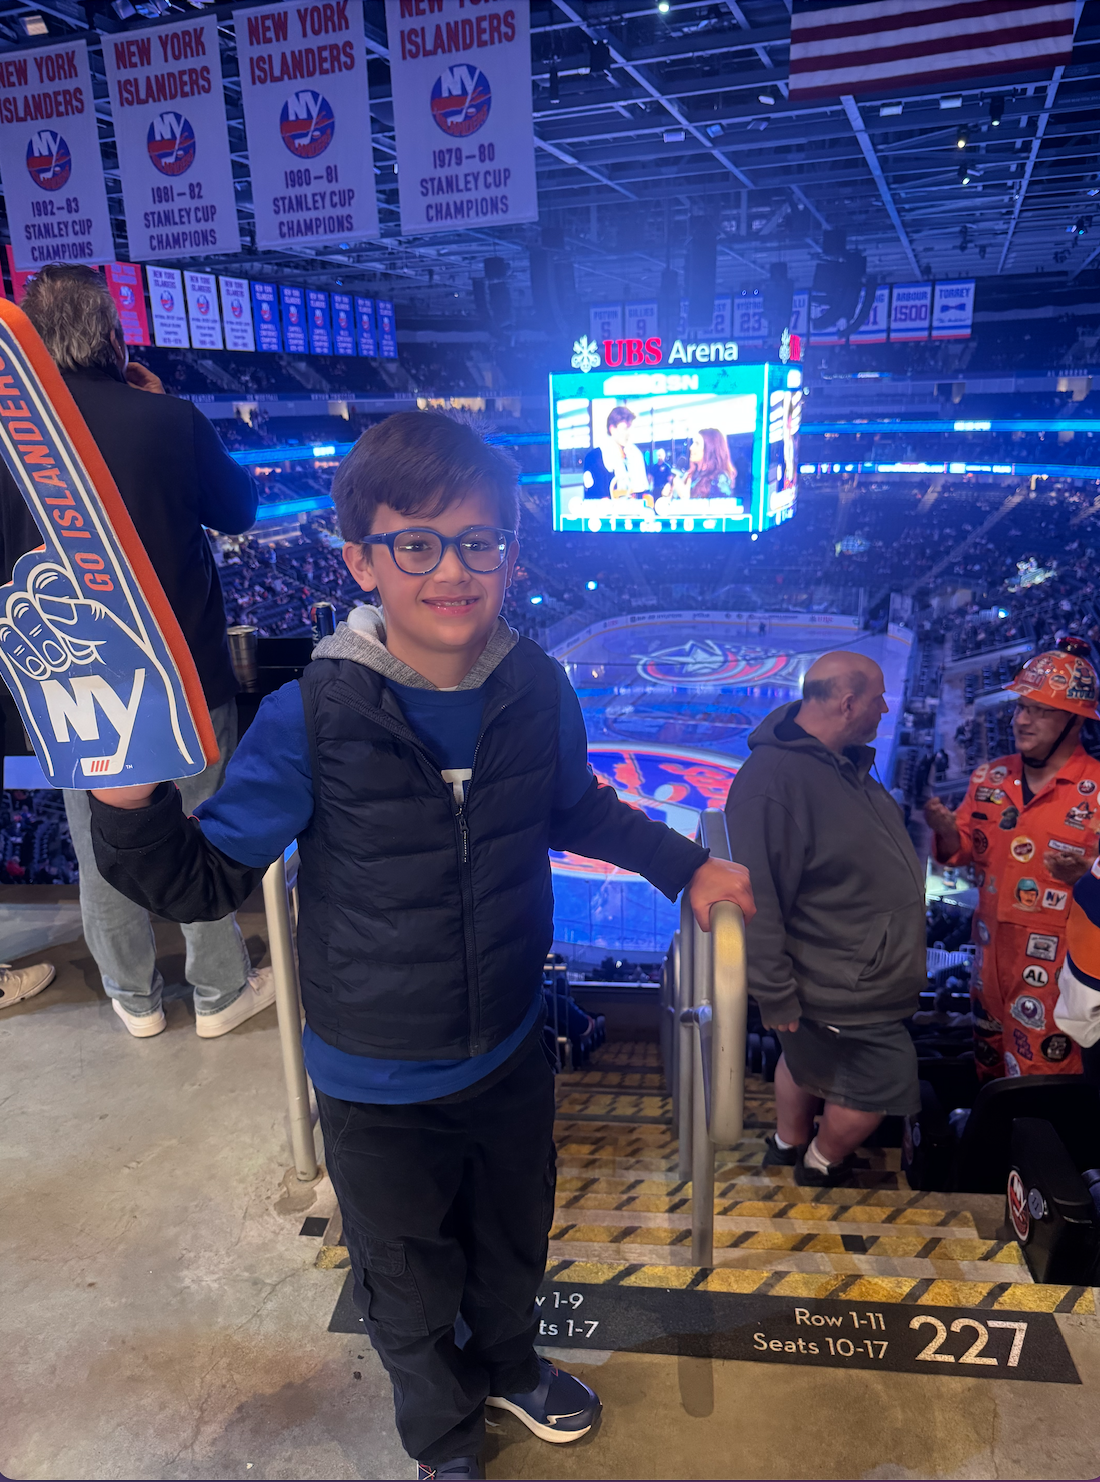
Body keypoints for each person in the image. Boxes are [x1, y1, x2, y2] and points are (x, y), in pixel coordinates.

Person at [87, 411, 755, 1479]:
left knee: (508, 1250)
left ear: (509, 555)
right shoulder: (310, 717)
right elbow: (198, 879)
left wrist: (686, 865)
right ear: (362, 558)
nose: (450, 569)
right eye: (416, 543)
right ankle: (444, 1440)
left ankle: (509, 1367)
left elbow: (574, 806)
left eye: (477, 542)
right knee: (406, 1282)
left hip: (507, 1049)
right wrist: (125, 798)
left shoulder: (534, 684)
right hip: (374, 1078)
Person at [0, 263, 266, 1041]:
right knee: (203, 829)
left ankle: (134, 996)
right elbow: (240, 511)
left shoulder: (7, 436)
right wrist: (158, 407)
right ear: (114, 340)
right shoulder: (168, 420)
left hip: (67, 680)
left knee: (96, 843)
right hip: (181, 672)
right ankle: (218, 992)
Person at [724, 650, 926, 1186]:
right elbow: (756, 894)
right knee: (878, 1089)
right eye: (879, 698)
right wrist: (774, 990)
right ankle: (819, 1165)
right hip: (845, 983)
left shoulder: (844, 760)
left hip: (850, 971)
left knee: (805, 1059)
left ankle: (786, 1145)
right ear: (848, 702)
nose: (886, 708)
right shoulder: (774, 781)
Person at [924, 638, 1100, 1079]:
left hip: (1057, 974)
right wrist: (947, 832)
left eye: (1041, 710)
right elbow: (962, 851)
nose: (1023, 720)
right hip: (988, 967)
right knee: (989, 1074)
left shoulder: (1098, 789)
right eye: (1022, 707)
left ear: (1075, 720)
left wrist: (1088, 877)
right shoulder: (989, 777)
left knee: (1043, 1088)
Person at [582, 404, 649, 500]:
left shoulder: (636, 455)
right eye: (625, 428)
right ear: (612, 429)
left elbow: (645, 491)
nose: (629, 433)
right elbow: (597, 496)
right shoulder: (595, 457)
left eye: (630, 428)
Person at [672, 428, 738, 503]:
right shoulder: (691, 474)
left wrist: (685, 498)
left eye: (697, 443)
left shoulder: (719, 478)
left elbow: (722, 509)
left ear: (710, 448)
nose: (691, 448)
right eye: (693, 443)